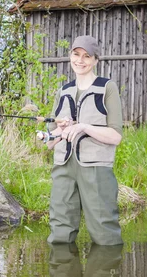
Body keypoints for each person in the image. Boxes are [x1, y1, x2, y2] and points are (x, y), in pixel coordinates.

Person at [44, 35, 124, 246]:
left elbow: (115, 136)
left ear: (96, 60)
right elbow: (50, 143)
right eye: (76, 54)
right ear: (70, 56)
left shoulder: (107, 88)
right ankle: (63, 274)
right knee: (59, 234)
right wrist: (58, 131)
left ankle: (106, 272)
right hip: (63, 168)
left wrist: (83, 127)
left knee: (104, 233)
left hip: (96, 169)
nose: (80, 60)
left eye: (86, 56)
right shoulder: (63, 92)